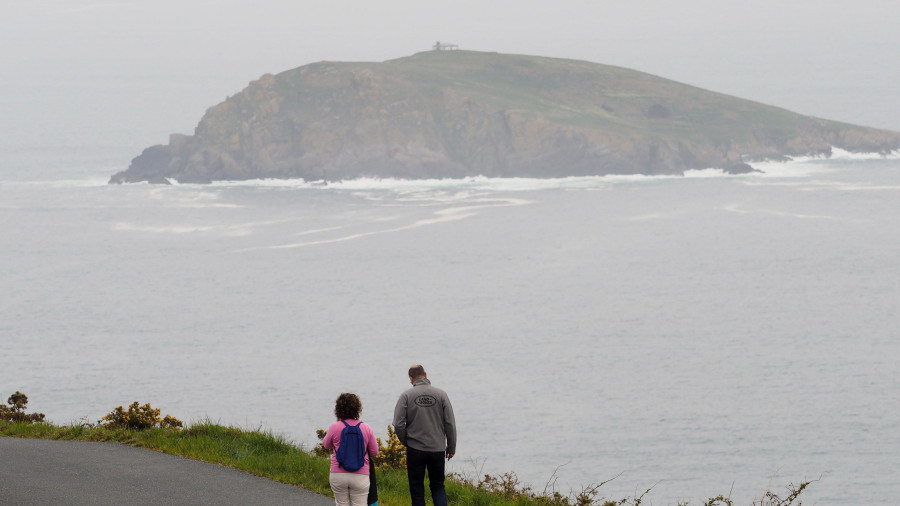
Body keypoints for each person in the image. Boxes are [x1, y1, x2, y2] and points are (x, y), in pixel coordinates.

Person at [392, 364, 457, 506]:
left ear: (410, 378)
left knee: (417, 489)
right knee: (438, 487)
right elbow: (450, 423)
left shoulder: (406, 396)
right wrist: (451, 447)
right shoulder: (441, 395)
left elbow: (398, 424)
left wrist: (406, 441)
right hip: (437, 448)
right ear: (426, 374)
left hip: (415, 449)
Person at [322, 393, 379, 506]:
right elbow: (374, 451)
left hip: (338, 474)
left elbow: (326, 445)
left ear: (338, 409)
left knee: (341, 503)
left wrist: (338, 422)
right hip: (360, 474)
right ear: (358, 408)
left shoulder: (335, 426)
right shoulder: (366, 427)